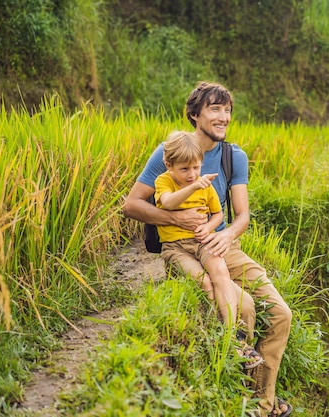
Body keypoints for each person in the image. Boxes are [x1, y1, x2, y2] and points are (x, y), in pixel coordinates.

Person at [122, 81, 293, 417]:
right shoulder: (169, 152)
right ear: (194, 114)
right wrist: (178, 218)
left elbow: (241, 215)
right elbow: (131, 205)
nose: (224, 116)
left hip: (222, 245)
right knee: (243, 306)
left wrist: (227, 235)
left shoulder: (234, 157)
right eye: (215, 108)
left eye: (227, 109)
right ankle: (250, 400)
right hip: (182, 248)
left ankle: (262, 403)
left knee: (281, 314)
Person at [154, 130, 263, 370]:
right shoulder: (165, 181)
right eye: (184, 169)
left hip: (203, 241)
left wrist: (209, 227)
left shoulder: (204, 184)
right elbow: (169, 202)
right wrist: (194, 187)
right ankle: (221, 333)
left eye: (196, 168)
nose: (192, 175)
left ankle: (233, 335)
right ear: (169, 165)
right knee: (203, 282)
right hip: (175, 247)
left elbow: (218, 214)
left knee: (220, 271)